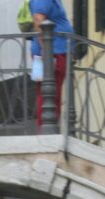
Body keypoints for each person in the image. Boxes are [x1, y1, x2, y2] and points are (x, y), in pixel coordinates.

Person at [29, 0, 74, 128]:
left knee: (52, 92)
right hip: (52, 53)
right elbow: (38, 20)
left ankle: (50, 127)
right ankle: (47, 129)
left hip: (54, 52)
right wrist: (46, 49)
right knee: (48, 93)